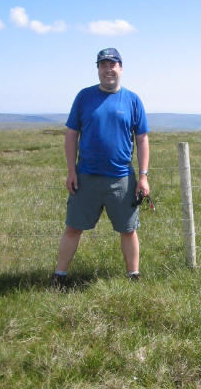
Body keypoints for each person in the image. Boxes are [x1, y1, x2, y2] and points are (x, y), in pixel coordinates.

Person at [53, 48, 150, 285]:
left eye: (112, 64)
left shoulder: (133, 100)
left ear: (121, 68)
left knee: (128, 229)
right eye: (103, 65)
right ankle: (59, 277)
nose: (108, 69)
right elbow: (71, 134)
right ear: (98, 69)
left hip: (122, 178)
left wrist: (143, 176)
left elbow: (142, 138)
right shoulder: (84, 97)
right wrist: (71, 171)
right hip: (86, 177)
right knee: (73, 227)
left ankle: (133, 276)